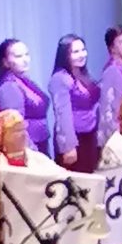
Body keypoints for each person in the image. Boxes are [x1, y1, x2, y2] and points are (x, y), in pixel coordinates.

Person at [49, 33, 101, 170]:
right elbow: (63, 115)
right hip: (74, 140)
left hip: (90, 135)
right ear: (65, 55)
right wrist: (69, 147)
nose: (81, 55)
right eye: (75, 52)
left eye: (83, 50)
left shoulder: (83, 75)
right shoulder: (60, 78)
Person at [0, 39, 51, 154]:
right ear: (5, 62)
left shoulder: (23, 80)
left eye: (27, 54)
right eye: (18, 56)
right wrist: (32, 154)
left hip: (39, 145)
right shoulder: (9, 87)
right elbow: (15, 126)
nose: (25, 60)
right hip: (28, 149)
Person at [0, 107, 64, 174]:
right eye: (17, 131)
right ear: (2, 136)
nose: (23, 134)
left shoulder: (39, 159)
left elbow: (62, 175)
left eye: (24, 129)